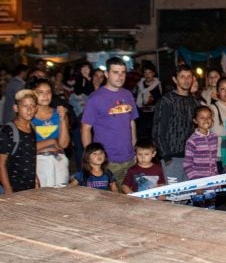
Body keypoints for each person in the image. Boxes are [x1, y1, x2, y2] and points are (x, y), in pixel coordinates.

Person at [80, 57, 138, 188]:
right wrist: (91, 159)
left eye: (123, 72)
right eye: (115, 72)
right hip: (107, 160)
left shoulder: (128, 95)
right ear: (106, 74)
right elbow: (85, 128)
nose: (120, 76)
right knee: (110, 201)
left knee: (131, 200)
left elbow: (131, 123)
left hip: (129, 159)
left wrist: (135, 149)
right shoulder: (95, 98)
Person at [152, 64, 198, 184]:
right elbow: (158, 131)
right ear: (175, 79)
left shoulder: (194, 102)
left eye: (189, 76)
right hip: (172, 158)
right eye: (182, 77)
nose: (186, 80)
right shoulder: (166, 101)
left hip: (191, 158)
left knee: (189, 195)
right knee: (173, 197)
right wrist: (166, 157)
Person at [31, 78, 70, 188]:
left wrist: (62, 118)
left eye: (48, 92)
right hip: (38, 162)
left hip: (59, 160)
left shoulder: (58, 113)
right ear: (33, 93)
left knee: (61, 198)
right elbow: (27, 148)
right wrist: (51, 142)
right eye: (41, 92)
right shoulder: (29, 116)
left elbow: (64, 144)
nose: (45, 95)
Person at [0, 89, 38, 194]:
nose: (29, 109)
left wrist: (35, 180)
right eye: (25, 106)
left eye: (33, 105)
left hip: (29, 188)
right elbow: (1, 163)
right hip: (13, 188)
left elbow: (30, 158)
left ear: (36, 108)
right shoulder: (8, 131)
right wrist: (8, 190)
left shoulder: (32, 127)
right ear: (16, 108)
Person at [183, 106, 219, 180]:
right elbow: (187, 165)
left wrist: (216, 179)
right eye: (202, 118)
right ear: (195, 121)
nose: (206, 120)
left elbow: (213, 161)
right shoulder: (192, 141)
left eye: (209, 117)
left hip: (213, 182)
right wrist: (196, 183)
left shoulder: (214, 137)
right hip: (199, 183)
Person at [133, 63, 162, 143]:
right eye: (145, 73)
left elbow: (161, 99)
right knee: (141, 136)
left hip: (153, 115)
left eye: (149, 72)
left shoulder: (158, 85)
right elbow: (134, 96)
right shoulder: (139, 85)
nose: (147, 75)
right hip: (141, 115)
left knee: (153, 137)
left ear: (153, 73)